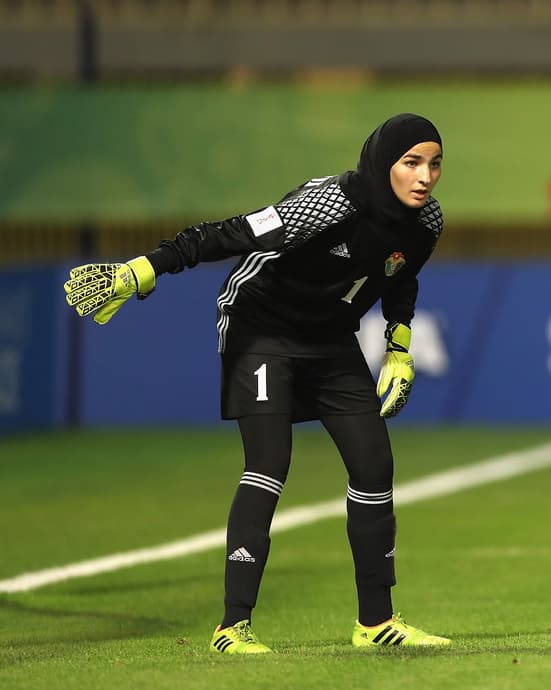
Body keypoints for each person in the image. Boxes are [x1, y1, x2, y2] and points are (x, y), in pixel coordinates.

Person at [64, 113, 452, 654]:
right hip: (261, 328)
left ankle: (376, 623)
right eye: (411, 163)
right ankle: (232, 626)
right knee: (269, 464)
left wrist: (399, 346)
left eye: (434, 164)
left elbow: (400, 277)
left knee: (373, 463)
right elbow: (230, 233)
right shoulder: (328, 203)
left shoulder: (426, 222)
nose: (425, 176)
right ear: (384, 161)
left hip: (330, 338)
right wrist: (142, 270)